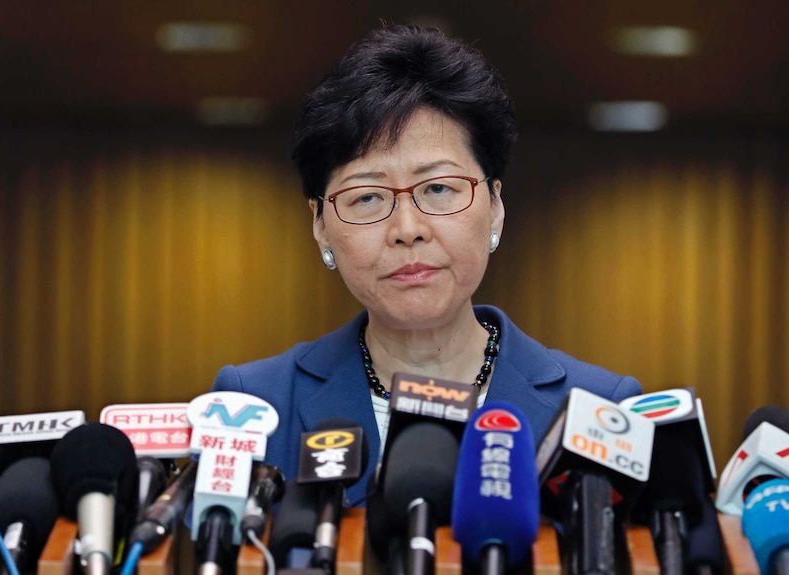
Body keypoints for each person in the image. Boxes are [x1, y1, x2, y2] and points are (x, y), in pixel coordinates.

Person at [207, 23, 641, 506]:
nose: (407, 228)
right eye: (367, 196)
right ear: (321, 226)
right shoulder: (255, 405)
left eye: (438, 188)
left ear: (494, 205)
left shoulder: (599, 408)